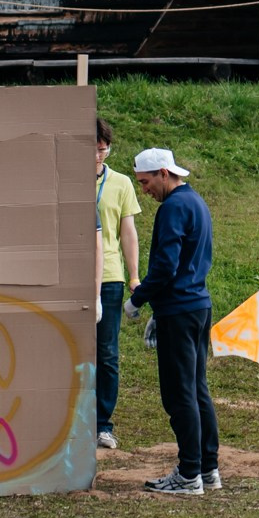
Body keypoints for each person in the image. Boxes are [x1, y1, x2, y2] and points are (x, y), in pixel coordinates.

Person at [129, 147, 219, 495]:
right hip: (197, 306)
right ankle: (208, 469)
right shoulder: (196, 202)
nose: (145, 190)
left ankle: (188, 474)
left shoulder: (173, 208)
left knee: (179, 394)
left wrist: (138, 300)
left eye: (147, 181)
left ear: (164, 173)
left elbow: (166, 267)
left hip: (180, 311)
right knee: (197, 390)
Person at [92, 118, 144, 452]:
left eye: (103, 149)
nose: (98, 155)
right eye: (93, 149)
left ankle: (102, 425)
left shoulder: (121, 183)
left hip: (110, 276)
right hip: (73, 275)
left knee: (107, 352)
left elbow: (128, 233)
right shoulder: (66, 178)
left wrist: (134, 275)